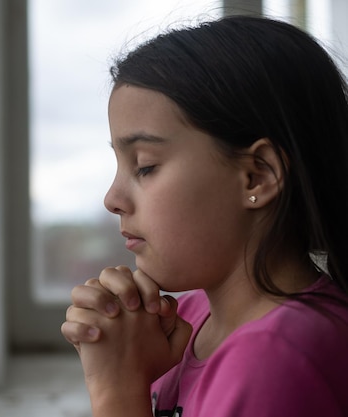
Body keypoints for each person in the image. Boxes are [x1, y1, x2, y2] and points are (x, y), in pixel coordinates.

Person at [60, 15, 348, 417]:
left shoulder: (273, 360)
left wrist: (117, 388)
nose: (112, 198)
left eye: (144, 166)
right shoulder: (187, 319)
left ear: (256, 176)